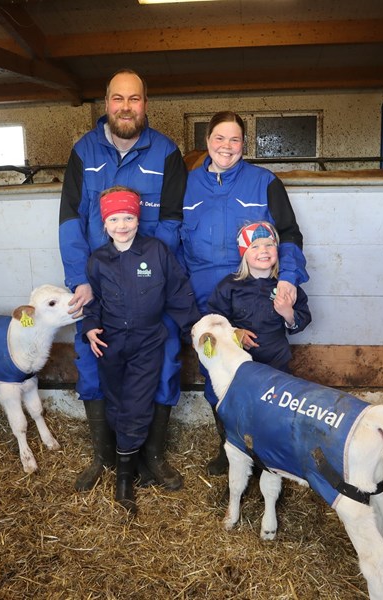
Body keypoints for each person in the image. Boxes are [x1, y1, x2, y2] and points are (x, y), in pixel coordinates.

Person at [59, 69, 188, 492]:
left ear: (145, 103)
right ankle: (103, 456)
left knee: (166, 364)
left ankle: (151, 456)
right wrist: (80, 279)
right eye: (118, 99)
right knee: (92, 362)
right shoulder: (84, 151)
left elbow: (170, 223)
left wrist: (147, 273)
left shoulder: (166, 153)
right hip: (98, 285)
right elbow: (69, 222)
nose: (126, 107)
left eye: (134, 99)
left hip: (150, 290)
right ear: (107, 103)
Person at [180, 111, 309, 475]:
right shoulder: (185, 186)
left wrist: (289, 277)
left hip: (254, 293)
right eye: (219, 138)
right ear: (207, 142)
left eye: (234, 140)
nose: (227, 146)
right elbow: (173, 239)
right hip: (208, 299)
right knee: (216, 374)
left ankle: (267, 450)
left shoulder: (264, 182)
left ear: (244, 144)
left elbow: (290, 234)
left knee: (264, 372)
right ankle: (231, 446)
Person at [83, 187, 200, 514]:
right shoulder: (98, 260)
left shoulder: (156, 251)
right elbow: (93, 301)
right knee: (117, 404)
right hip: (109, 344)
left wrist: (195, 328)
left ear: (138, 219)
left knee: (136, 403)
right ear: (105, 223)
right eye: (115, 218)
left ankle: (123, 484)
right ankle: (132, 465)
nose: (123, 224)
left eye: (129, 217)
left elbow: (178, 292)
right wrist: (89, 327)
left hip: (147, 341)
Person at [208, 221, 311, 373]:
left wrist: (288, 313)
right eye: (255, 246)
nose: (263, 250)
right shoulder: (229, 286)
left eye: (269, 245)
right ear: (244, 253)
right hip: (238, 362)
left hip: (277, 362)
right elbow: (213, 319)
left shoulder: (286, 287)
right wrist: (235, 333)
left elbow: (303, 319)